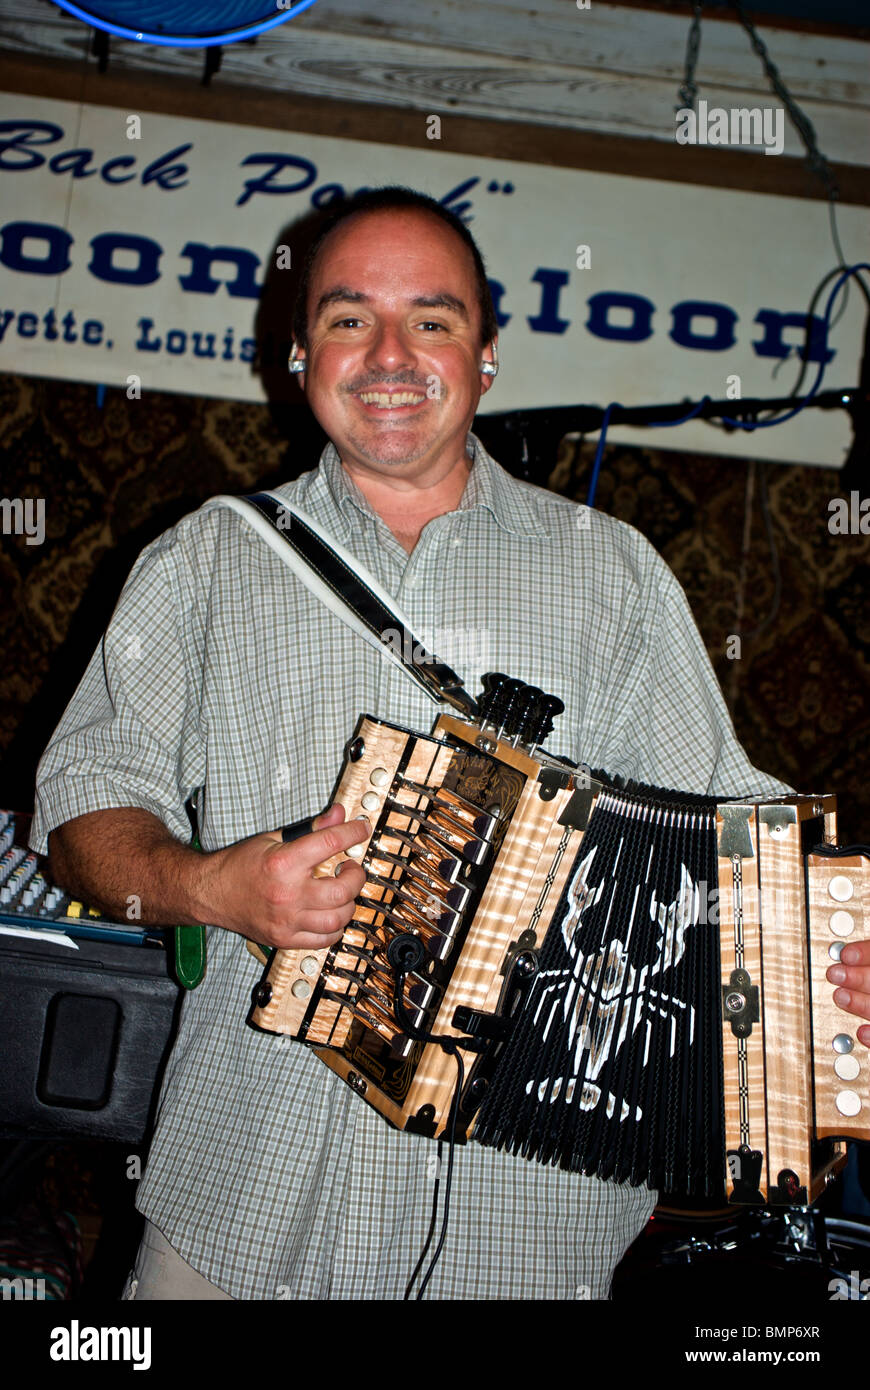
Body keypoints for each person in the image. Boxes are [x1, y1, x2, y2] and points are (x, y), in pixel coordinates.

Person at [31, 187, 870, 1301]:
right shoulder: (203, 560)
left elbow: (729, 823)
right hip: (240, 1217)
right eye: (347, 317)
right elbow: (81, 817)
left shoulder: (609, 571)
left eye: (431, 319)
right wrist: (212, 886)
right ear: (296, 354)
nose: (389, 354)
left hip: (531, 1236)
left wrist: (835, 944)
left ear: (486, 358)